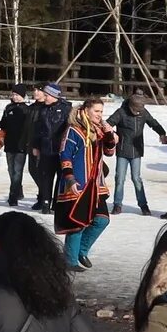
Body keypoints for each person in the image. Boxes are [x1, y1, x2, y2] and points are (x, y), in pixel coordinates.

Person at [54, 99, 113, 269]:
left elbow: (109, 151)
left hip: (96, 185)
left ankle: (81, 250)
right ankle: (70, 260)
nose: (100, 115)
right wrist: (70, 178)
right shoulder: (73, 130)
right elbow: (65, 156)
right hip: (78, 183)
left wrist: (109, 135)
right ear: (86, 111)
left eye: (101, 112)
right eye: (97, 111)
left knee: (102, 220)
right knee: (77, 223)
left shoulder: (99, 130)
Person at [107, 93, 162, 216]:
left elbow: (153, 123)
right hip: (122, 151)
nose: (138, 112)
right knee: (119, 178)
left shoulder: (143, 112)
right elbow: (108, 124)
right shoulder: (121, 112)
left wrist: (162, 133)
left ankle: (144, 206)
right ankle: (117, 204)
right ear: (131, 107)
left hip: (136, 151)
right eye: (136, 110)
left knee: (136, 178)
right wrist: (112, 135)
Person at [0, 87, 37, 207]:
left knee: (17, 171)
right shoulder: (8, 108)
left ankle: (13, 196)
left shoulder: (27, 110)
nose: (15, 97)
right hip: (10, 143)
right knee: (11, 170)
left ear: (23, 96)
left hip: (22, 144)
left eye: (17, 95)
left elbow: (30, 128)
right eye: (13, 94)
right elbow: (3, 124)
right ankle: (18, 191)